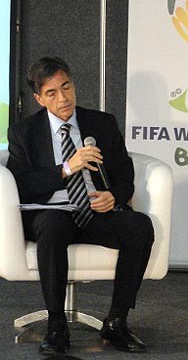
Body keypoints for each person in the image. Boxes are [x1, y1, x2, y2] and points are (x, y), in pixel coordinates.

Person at [7, 57, 154, 355]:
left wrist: (115, 195)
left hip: (95, 210)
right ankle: (57, 324)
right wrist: (66, 168)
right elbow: (21, 186)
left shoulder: (101, 123)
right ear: (39, 98)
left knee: (140, 226)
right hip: (52, 212)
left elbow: (125, 173)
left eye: (67, 87)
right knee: (51, 226)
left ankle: (116, 322)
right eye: (52, 93)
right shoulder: (24, 132)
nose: (63, 98)